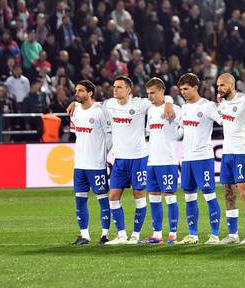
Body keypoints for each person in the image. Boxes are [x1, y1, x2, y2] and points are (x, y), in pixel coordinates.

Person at [69, 76, 174, 244]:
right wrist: (75, 104)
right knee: (113, 196)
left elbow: (160, 99)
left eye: (119, 87)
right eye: (114, 86)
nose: (114, 89)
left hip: (138, 158)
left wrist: (169, 101)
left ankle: (135, 236)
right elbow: (90, 104)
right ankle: (122, 235)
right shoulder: (108, 105)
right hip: (119, 159)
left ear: (128, 90)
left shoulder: (140, 104)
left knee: (139, 195)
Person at [176, 73, 223, 245]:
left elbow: (224, 121)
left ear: (195, 87)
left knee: (209, 195)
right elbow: (180, 132)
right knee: (189, 196)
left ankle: (215, 235)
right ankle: (193, 235)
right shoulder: (184, 108)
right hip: (187, 158)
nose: (183, 92)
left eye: (186, 89)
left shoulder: (208, 106)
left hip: (203, 157)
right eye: (181, 89)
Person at [215, 73, 245, 245]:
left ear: (232, 85)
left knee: (244, 192)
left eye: (223, 85)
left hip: (242, 151)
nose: (219, 89)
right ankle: (233, 235)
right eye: (218, 86)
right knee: (228, 193)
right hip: (227, 153)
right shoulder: (222, 105)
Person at [70, 80, 112, 245]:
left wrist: (102, 154)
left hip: (96, 165)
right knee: (80, 200)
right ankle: (84, 235)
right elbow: (76, 134)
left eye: (81, 91)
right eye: (76, 91)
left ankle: (105, 235)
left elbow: (110, 136)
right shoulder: (74, 111)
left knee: (102, 199)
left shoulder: (100, 111)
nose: (77, 93)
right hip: (79, 164)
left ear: (90, 93)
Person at [142, 78, 181, 244]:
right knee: (154, 197)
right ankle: (157, 234)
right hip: (152, 162)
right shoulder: (150, 111)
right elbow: (148, 133)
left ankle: (173, 234)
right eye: (148, 93)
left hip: (167, 160)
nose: (150, 96)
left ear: (161, 91)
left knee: (170, 196)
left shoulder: (174, 109)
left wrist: (173, 139)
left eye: (152, 93)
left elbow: (183, 128)